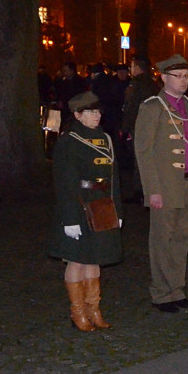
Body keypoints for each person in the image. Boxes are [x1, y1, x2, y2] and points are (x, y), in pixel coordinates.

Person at [134, 54, 188, 313]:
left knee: (181, 239)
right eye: (178, 76)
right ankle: (161, 293)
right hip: (165, 186)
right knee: (162, 240)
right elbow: (143, 152)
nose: (184, 81)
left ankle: (177, 290)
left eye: (187, 76)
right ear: (164, 77)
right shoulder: (152, 107)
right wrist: (152, 190)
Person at [49, 91, 123, 331]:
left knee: (95, 259)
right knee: (77, 260)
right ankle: (78, 312)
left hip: (101, 204)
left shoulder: (105, 139)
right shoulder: (69, 141)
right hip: (78, 204)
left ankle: (94, 309)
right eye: (90, 112)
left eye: (98, 111)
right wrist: (69, 218)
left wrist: (117, 211)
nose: (96, 116)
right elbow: (65, 182)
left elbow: (114, 178)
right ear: (78, 115)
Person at [121, 56, 159, 204]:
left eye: (132, 66)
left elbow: (131, 107)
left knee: (140, 159)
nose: (130, 69)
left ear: (137, 68)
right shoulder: (153, 84)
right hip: (152, 125)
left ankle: (140, 191)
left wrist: (124, 128)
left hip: (139, 125)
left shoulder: (136, 85)